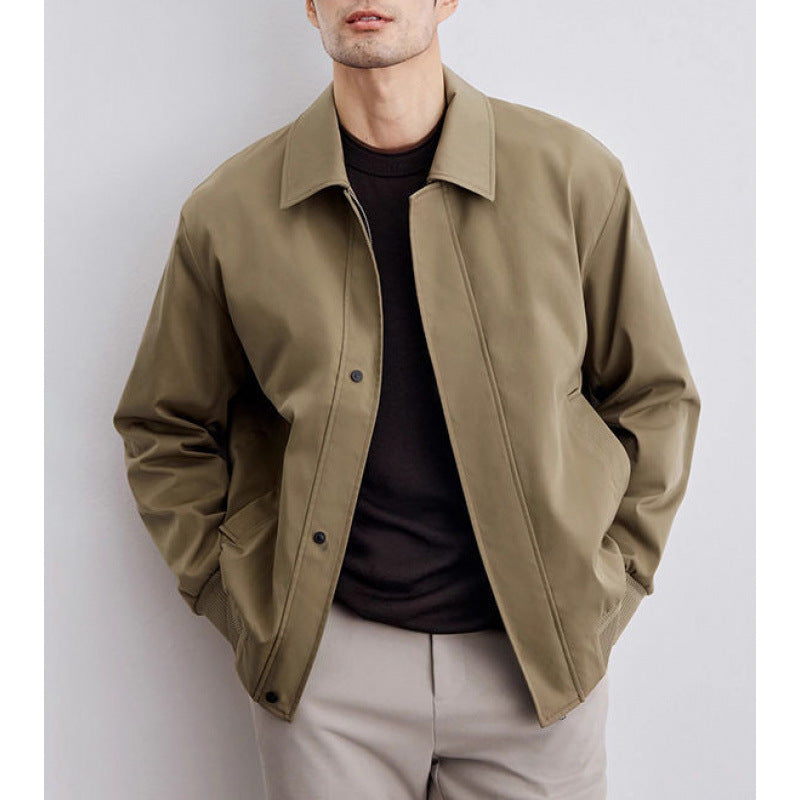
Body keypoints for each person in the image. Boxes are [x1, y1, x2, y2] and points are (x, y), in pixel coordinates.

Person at [112, 1, 702, 797]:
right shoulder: (230, 209)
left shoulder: (571, 177)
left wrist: (607, 587)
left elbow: (654, 396)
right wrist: (239, 599)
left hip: (535, 671)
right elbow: (165, 424)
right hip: (328, 676)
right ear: (311, 4)